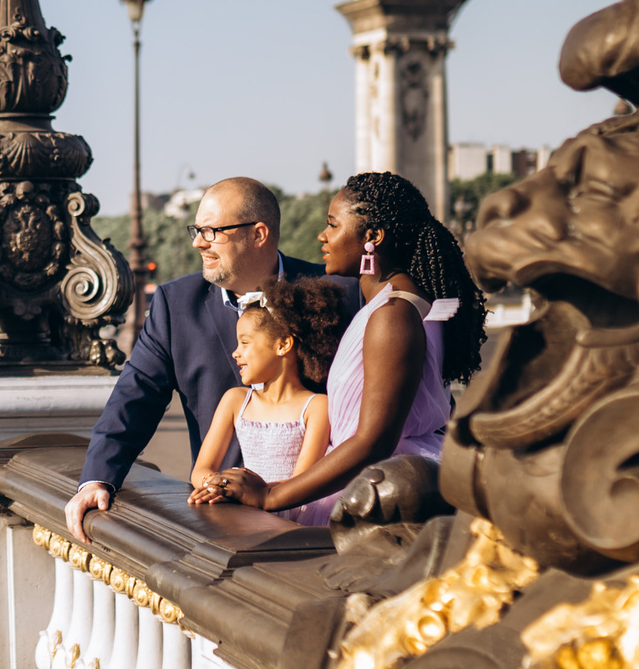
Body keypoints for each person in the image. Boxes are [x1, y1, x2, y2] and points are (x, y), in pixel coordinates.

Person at [199, 171, 486, 525]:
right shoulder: (394, 305)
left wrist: (271, 495)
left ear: (372, 238)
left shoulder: (392, 315)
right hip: (383, 478)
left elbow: (372, 442)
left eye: (333, 226)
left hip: (382, 490)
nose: (323, 236)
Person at [66, 177, 344, 541]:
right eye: (196, 230)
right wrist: (98, 477)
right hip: (219, 524)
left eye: (212, 231)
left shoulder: (337, 293)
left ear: (258, 234)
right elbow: (137, 394)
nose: (198, 242)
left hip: (320, 521)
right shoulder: (175, 304)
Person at [185, 277, 343, 505]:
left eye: (245, 343)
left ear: (282, 345)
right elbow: (201, 470)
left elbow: (302, 482)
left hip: (291, 520)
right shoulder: (235, 400)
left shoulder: (317, 407)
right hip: (242, 516)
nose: (235, 353)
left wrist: (248, 492)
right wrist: (219, 485)